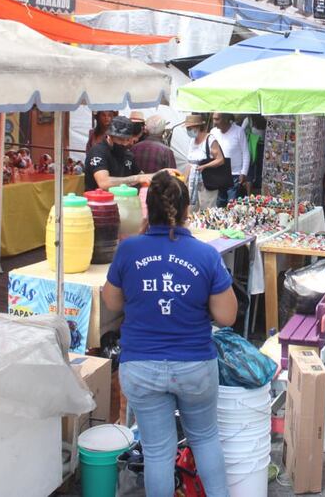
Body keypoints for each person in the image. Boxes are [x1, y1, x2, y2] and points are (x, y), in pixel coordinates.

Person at [102, 171, 237, 497]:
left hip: (141, 366)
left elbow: (111, 301)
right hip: (194, 365)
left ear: (148, 209)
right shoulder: (205, 254)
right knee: (205, 439)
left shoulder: (128, 250)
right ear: (187, 208)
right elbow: (227, 316)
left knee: (159, 452)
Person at [84, 116, 152, 192]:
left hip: (122, 200)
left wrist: (157, 175)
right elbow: (104, 183)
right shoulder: (98, 151)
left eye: (128, 139)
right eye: (120, 139)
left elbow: (142, 176)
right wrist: (136, 179)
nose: (125, 143)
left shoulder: (128, 155)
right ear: (109, 136)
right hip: (98, 201)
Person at [184, 114, 226, 211]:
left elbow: (220, 159)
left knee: (207, 209)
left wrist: (205, 166)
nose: (188, 130)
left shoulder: (210, 139)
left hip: (207, 181)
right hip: (192, 182)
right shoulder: (191, 141)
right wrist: (184, 180)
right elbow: (189, 162)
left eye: (190, 128)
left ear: (198, 127)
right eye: (187, 128)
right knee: (191, 209)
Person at [211, 113, 250, 207]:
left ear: (225, 119)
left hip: (235, 176)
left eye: (217, 119)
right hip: (219, 174)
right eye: (213, 119)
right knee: (220, 203)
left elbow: (245, 153)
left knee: (232, 205)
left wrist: (243, 172)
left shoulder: (238, 131)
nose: (214, 122)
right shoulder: (213, 132)